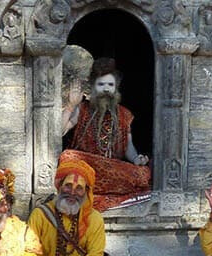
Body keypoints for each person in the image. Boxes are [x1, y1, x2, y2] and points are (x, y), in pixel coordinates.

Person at [61, 57, 151, 211]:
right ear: (93, 87)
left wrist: (136, 159)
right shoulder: (81, 109)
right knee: (67, 157)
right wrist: (70, 105)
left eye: (110, 85)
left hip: (112, 169)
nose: (106, 89)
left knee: (143, 174)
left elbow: (129, 148)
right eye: (101, 84)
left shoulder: (125, 114)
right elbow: (60, 131)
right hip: (84, 167)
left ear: (116, 88)